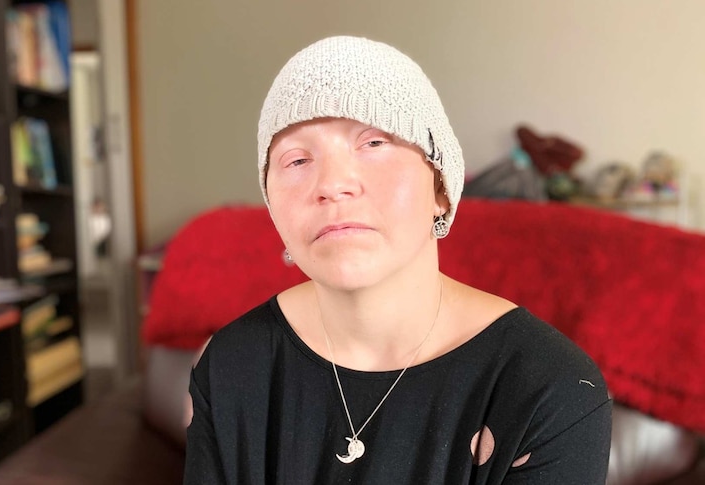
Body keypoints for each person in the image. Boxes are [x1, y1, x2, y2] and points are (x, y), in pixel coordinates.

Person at [184, 36, 611, 484]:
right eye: (297, 159)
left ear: (441, 188)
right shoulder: (232, 365)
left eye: (373, 143)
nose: (333, 184)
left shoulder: (551, 389)